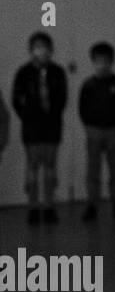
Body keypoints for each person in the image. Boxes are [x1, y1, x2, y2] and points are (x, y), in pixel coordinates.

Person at [12, 32, 67, 224]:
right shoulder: (23, 73)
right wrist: (29, 115)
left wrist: (50, 115)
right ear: (30, 50)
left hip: (51, 126)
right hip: (31, 127)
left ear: (50, 50)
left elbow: (62, 99)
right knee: (33, 167)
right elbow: (16, 100)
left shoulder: (57, 72)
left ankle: (49, 206)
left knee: (50, 167)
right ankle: (33, 207)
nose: (40, 51)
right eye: (36, 47)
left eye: (44, 47)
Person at [78, 41, 115, 221]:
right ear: (93, 61)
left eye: (105, 60)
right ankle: (92, 204)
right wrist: (89, 126)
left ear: (111, 61)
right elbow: (82, 108)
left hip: (114, 131)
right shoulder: (88, 85)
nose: (102, 64)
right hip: (94, 131)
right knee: (93, 170)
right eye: (98, 60)